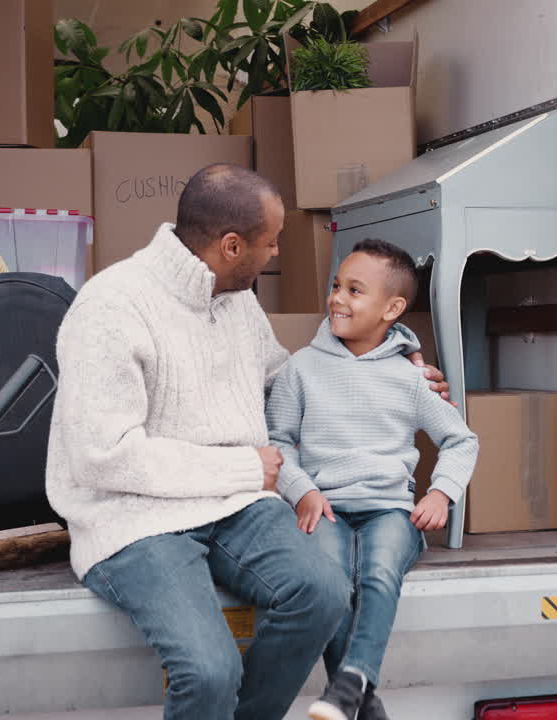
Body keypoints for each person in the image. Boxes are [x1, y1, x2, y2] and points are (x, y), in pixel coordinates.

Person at [45, 164, 450, 720]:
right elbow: (102, 457)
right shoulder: (110, 308)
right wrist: (242, 469)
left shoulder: (235, 297)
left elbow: (283, 379)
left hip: (236, 505)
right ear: (232, 246)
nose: (278, 252)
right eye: (270, 242)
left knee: (324, 594)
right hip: (133, 517)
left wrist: (387, 368)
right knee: (210, 671)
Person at [266, 239, 479, 720]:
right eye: (336, 286)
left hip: (390, 510)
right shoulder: (301, 368)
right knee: (330, 585)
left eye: (355, 290)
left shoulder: (411, 378)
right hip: (325, 507)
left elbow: (461, 439)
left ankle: (351, 684)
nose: (338, 298)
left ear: (392, 308)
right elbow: (278, 441)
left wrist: (442, 493)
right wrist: (304, 492)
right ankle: (362, 698)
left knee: (379, 575)